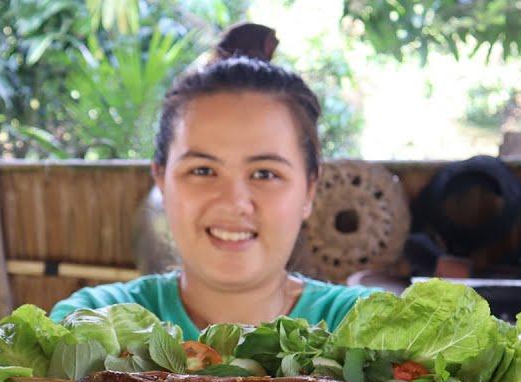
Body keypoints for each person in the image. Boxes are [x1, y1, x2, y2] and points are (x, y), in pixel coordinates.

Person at [48, 23, 378, 340]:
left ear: (309, 189)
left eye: (265, 173)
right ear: (161, 181)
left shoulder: (370, 330)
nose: (233, 201)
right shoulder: (92, 325)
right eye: (203, 170)